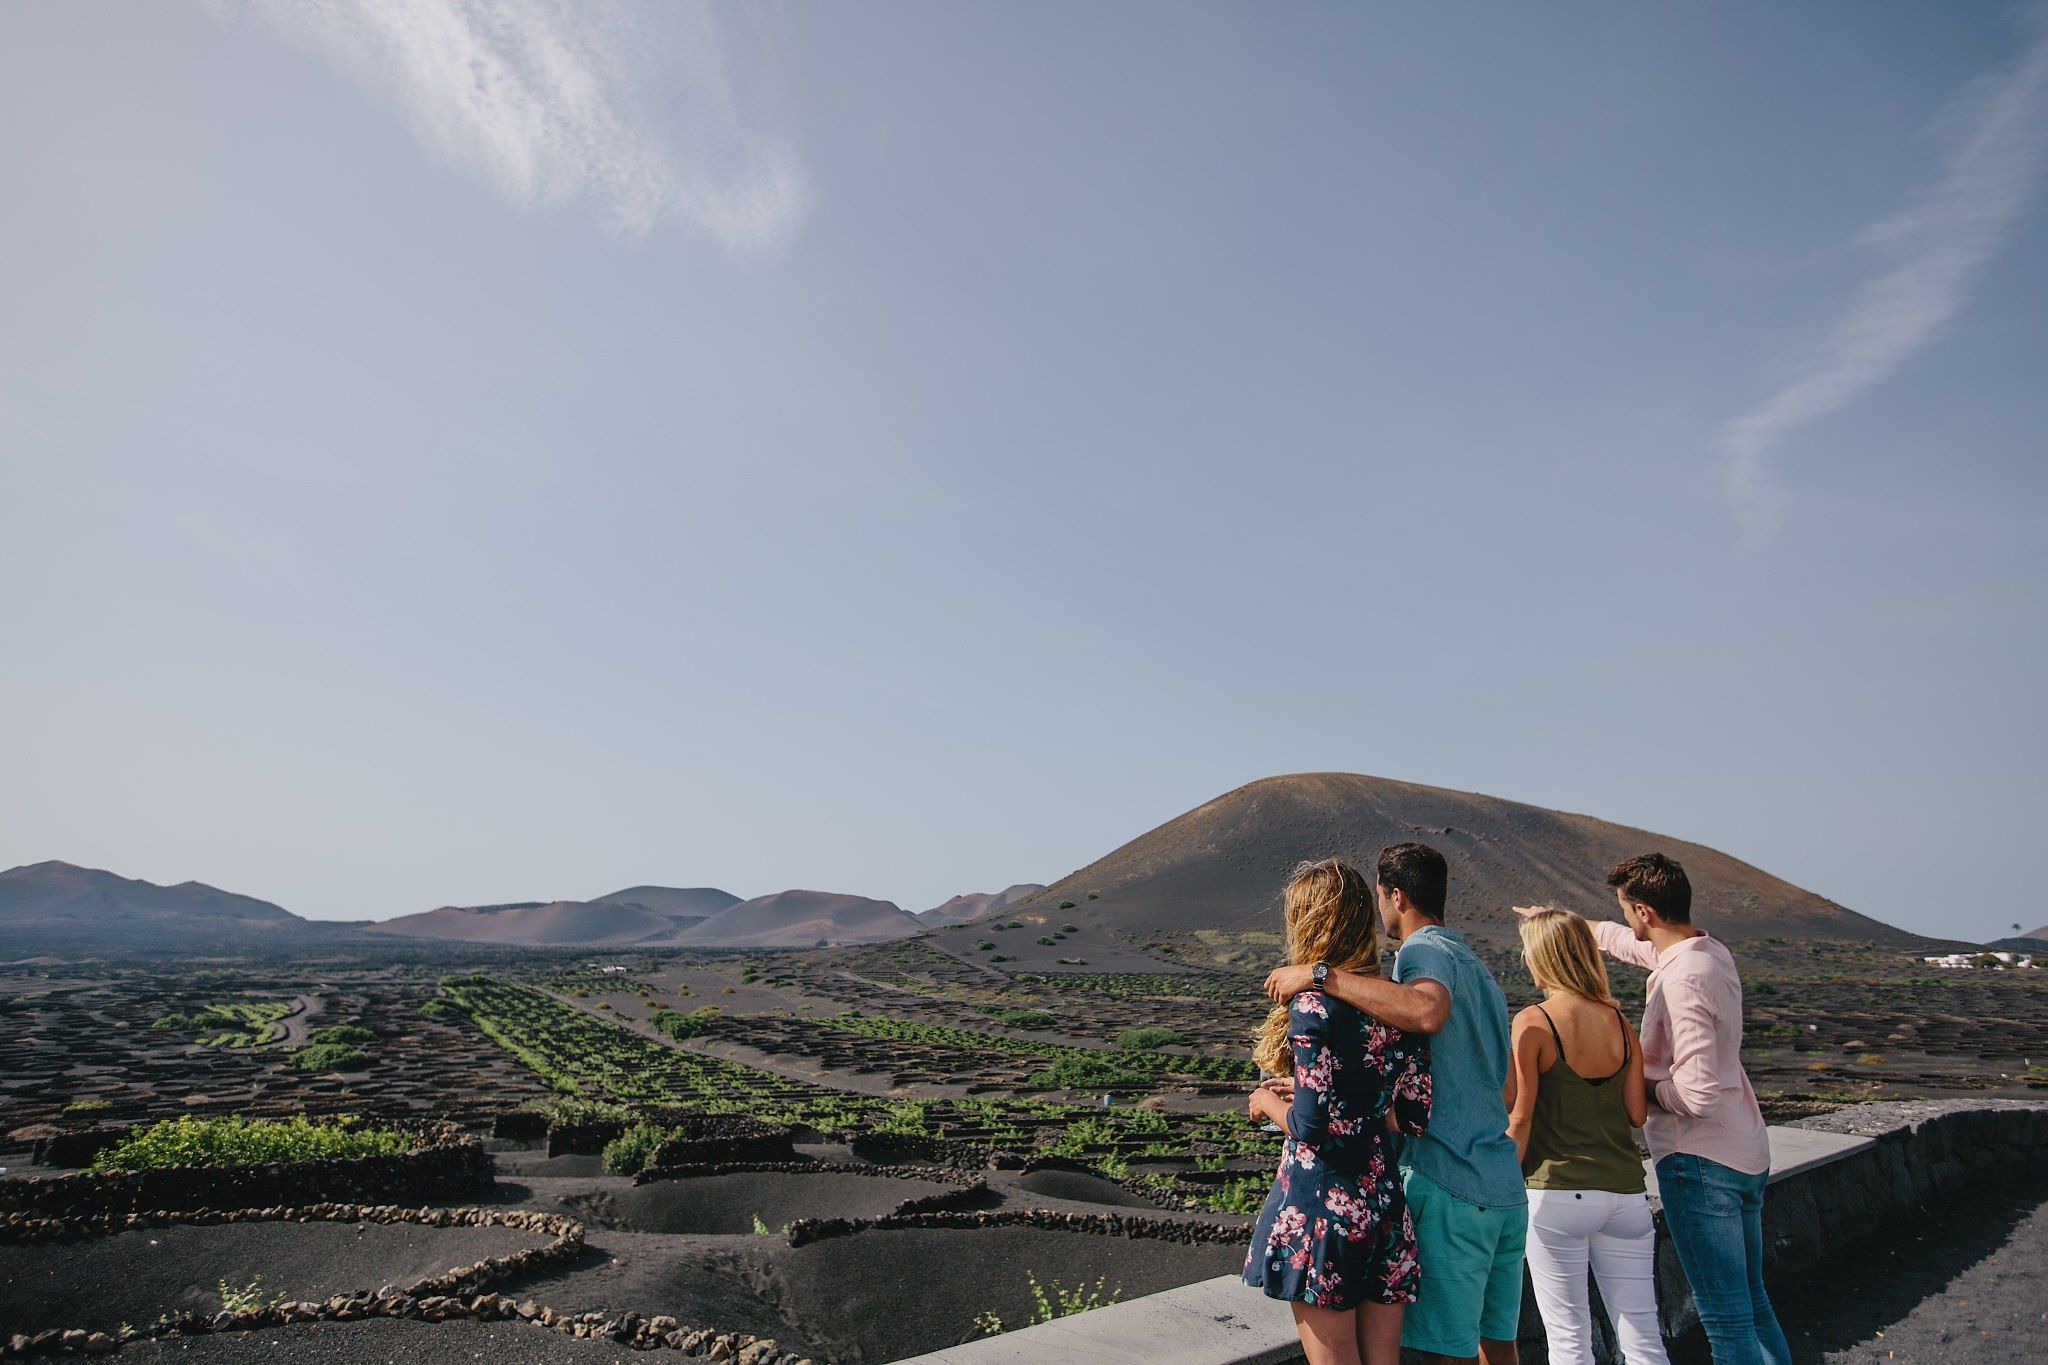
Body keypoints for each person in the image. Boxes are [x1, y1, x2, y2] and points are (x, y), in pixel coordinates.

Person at [1515, 854, 1786, 1365]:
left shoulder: (1681, 980)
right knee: (1751, 1305)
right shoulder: (1708, 954)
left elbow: (1698, 1094)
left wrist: (1639, 1084)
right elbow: (1629, 944)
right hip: (1744, 1150)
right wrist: (1578, 927)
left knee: (1726, 1318)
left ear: (1644, 911)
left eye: (1625, 911)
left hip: (1702, 1160)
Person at [1266, 843, 1525, 1365]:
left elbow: (1427, 1013)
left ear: (1396, 896)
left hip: (1450, 1183)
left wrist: (1320, 976)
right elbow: (1506, 1091)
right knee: (1498, 1347)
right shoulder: (1480, 969)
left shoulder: (1421, 954)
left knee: (1440, 1355)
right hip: (1502, 1188)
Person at [1243, 858, 1433, 1365]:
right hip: (1384, 1205)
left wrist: (1266, 1102)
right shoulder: (1397, 1006)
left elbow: (1310, 1127)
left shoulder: (1312, 1008)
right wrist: (1353, 1107)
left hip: (1323, 1208)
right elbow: (1414, 1114)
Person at [1506, 910, 1668, 1365]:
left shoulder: (1534, 1022)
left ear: (1544, 958)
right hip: (1625, 1195)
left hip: (1556, 1195)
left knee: (1570, 1341)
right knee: (1643, 1338)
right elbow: (1637, 1113)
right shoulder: (1620, 1024)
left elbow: (1520, 1117)